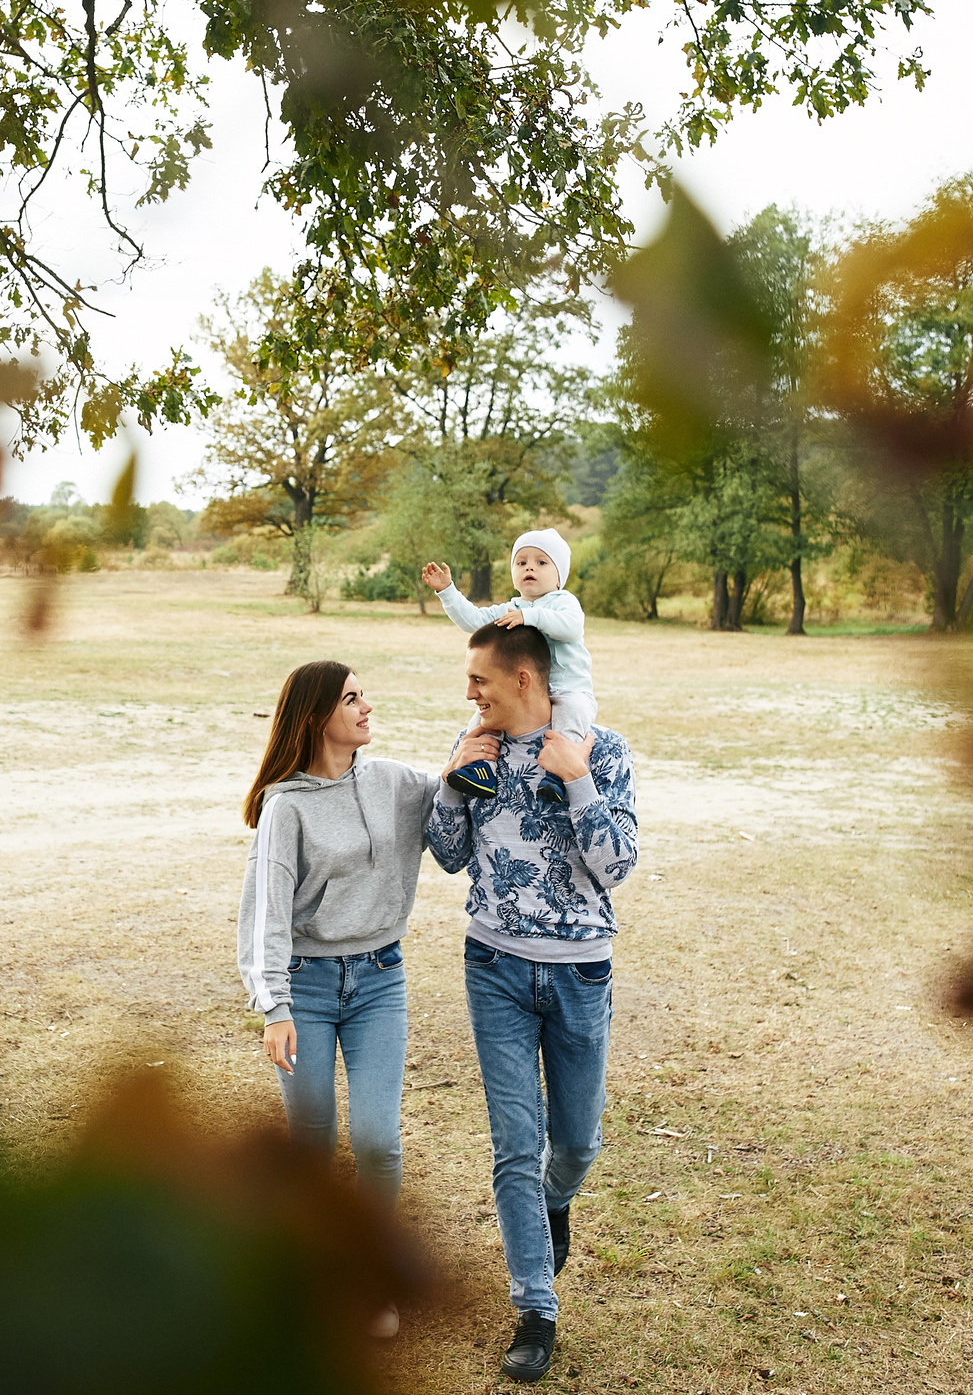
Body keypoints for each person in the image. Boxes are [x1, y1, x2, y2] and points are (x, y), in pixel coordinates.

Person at [425, 620, 638, 1384]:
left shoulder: (602, 747)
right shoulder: (474, 742)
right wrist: (453, 780)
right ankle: (535, 1309)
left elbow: (616, 866)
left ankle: (557, 1201)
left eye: (479, 680)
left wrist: (575, 777)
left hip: (580, 971)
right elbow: (449, 855)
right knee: (516, 1142)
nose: (470, 693)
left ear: (524, 680)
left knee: (576, 1142)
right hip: (494, 966)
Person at [235, 659, 446, 1339]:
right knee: (313, 1142)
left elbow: (453, 794)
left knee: (379, 1140)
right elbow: (265, 911)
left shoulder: (391, 782)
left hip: (382, 978)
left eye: (364, 695)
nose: (367, 706)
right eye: (352, 697)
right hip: (310, 986)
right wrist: (275, 1007)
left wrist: (480, 739)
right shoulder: (286, 804)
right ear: (318, 712)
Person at [421, 526, 593, 803]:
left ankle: (557, 777)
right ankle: (481, 770)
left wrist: (530, 617)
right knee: (480, 722)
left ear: (559, 575)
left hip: (568, 690)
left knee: (570, 721)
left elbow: (570, 628)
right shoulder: (510, 609)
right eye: (521, 562)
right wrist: (447, 592)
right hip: (517, 694)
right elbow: (473, 621)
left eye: (541, 562)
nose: (530, 568)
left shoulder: (564, 603)